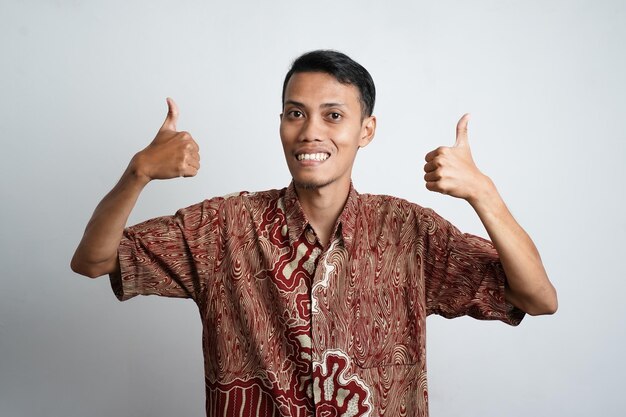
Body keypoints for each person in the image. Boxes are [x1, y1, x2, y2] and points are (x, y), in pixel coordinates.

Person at [71, 50, 557, 417]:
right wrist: (138, 172)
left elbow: (537, 298)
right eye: (295, 113)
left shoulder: (409, 232)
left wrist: (483, 194)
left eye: (333, 115)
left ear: (365, 131)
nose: (310, 132)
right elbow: (93, 260)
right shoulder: (223, 227)